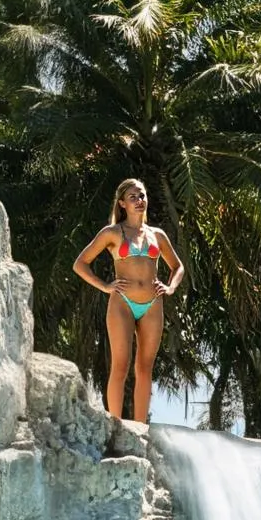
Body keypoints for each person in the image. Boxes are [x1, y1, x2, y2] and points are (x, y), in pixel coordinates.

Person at [72, 178, 184, 425]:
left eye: (142, 195)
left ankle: (141, 429)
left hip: (153, 304)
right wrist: (105, 286)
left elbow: (178, 267)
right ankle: (115, 426)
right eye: (133, 197)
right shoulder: (112, 233)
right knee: (120, 366)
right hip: (122, 302)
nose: (139, 200)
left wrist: (170, 287)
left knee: (145, 368)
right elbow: (80, 264)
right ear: (122, 203)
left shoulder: (158, 235)